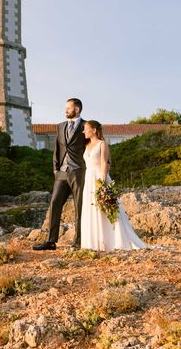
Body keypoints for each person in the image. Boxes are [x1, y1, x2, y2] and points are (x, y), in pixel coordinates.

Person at [80, 120, 145, 250]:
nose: (83, 132)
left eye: (86, 129)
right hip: (88, 179)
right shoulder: (86, 145)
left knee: (107, 207)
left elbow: (104, 163)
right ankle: (94, 242)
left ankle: (112, 240)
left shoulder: (102, 144)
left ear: (94, 130)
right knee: (92, 208)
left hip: (99, 177)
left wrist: (103, 182)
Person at [33, 98, 86, 251]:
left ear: (76, 109)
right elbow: (57, 149)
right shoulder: (60, 126)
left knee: (79, 207)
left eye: (68, 108)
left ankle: (78, 242)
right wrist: (56, 170)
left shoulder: (86, 126)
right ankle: (51, 241)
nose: (65, 110)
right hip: (62, 173)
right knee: (54, 203)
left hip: (78, 172)